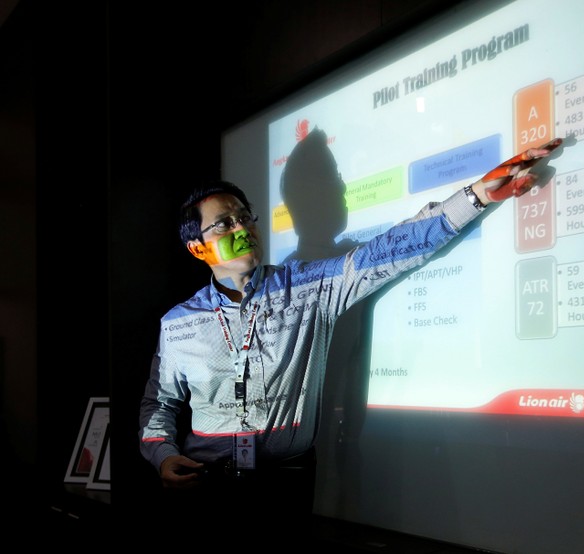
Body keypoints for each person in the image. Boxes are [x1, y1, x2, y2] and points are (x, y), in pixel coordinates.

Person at [138, 136, 559, 534]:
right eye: (224, 224)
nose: (242, 228)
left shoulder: (307, 286)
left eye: (246, 216)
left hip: (284, 487)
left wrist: (478, 195)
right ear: (197, 248)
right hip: (203, 487)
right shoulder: (177, 323)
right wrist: (163, 455)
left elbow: (388, 251)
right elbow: (159, 402)